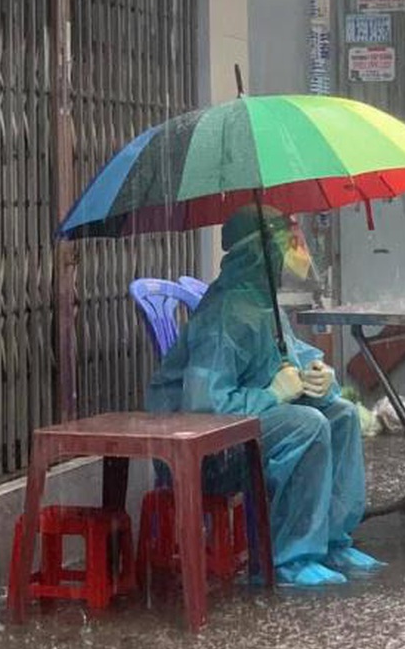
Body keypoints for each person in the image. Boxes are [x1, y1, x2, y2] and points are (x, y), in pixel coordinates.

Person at [146, 204, 385, 587]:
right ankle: (288, 559)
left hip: (245, 432)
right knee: (306, 424)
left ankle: (331, 541)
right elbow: (203, 408)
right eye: (281, 245)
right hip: (207, 454)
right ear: (259, 253)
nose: (289, 255)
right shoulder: (227, 313)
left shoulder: (262, 305)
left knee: (338, 413)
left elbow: (296, 358)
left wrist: (321, 377)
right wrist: (273, 394)